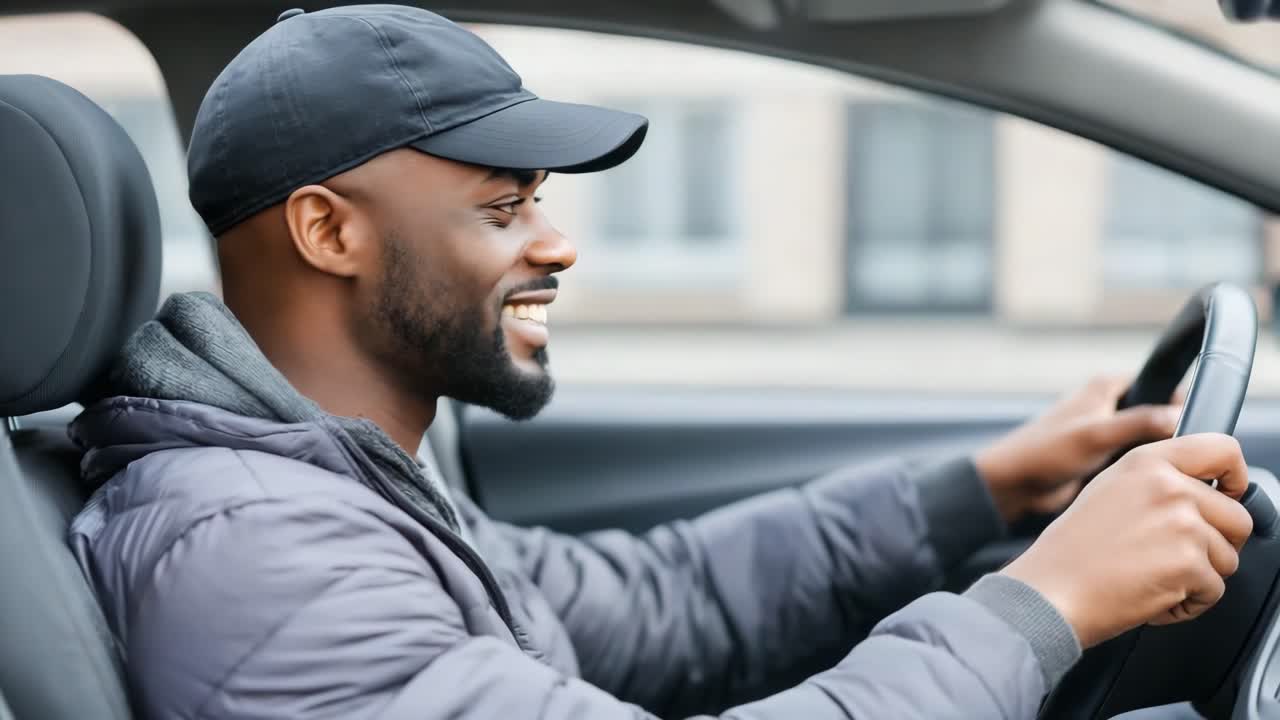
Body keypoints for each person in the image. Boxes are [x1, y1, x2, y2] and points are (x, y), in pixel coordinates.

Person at [68, 5, 1253, 719]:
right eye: (500, 209)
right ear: (329, 232)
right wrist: (1041, 606)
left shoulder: (333, 487)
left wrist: (986, 485)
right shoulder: (258, 553)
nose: (558, 240)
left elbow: (662, 604)